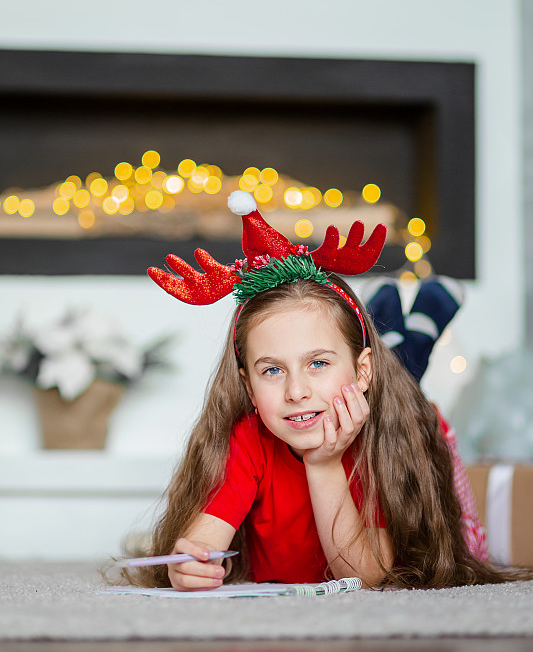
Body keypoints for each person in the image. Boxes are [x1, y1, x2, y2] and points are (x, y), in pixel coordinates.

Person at [126, 191, 532, 591]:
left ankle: (411, 335)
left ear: (361, 371)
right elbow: (201, 544)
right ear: (248, 387)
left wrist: (323, 463)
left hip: (410, 419)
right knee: (394, 369)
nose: (297, 391)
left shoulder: (391, 440)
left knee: (410, 397)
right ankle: (398, 331)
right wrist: (189, 564)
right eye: (272, 370)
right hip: (363, 374)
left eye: (317, 363)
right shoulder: (248, 440)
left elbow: (367, 576)